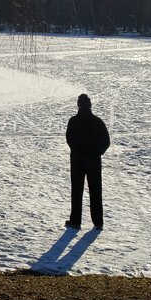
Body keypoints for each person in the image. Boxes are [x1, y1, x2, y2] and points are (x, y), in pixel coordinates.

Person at [64, 93, 110, 230]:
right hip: (94, 162)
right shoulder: (98, 121)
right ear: (90, 106)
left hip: (77, 161)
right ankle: (98, 222)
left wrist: (79, 151)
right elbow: (106, 142)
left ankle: (75, 221)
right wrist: (95, 153)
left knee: (77, 191)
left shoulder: (73, 121)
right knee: (96, 191)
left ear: (79, 105)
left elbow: (69, 140)